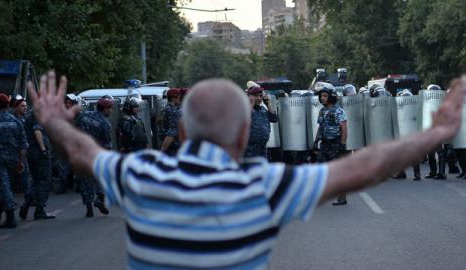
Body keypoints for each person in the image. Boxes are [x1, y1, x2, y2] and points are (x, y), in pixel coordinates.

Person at [28, 71, 465, 269]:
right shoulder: (262, 184)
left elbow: (84, 155)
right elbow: (364, 167)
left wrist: (52, 123)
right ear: (243, 135)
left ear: (180, 129)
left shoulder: (143, 174)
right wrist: (433, 134)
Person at [0, 94, 28, 228]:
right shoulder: (16, 121)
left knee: (3, 186)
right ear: (8, 105)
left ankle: (10, 216)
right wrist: (20, 162)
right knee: (4, 186)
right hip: (13, 160)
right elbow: (23, 145)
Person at [75, 95, 113, 217]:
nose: (111, 111)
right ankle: (99, 200)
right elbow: (107, 143)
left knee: (85, 181)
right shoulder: (105, 124)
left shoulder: (84, 115)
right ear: (105, 109)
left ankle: (89, 209)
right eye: (110, 109)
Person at [313, 83, 348, 206]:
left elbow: (344, 127)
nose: (322, 98)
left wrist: (342, 144)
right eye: (321, 96)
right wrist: (316, 141)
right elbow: (320, 127)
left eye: (325, 96)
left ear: (331, 96)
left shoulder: (338, 111)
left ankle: (341, 198)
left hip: (335, 144)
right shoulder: (322, 111)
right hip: (325, 144)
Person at [20, 110, 56, 220]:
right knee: (44, 181)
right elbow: (37, 131)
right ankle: (39, 210)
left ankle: (28, 200)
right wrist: (43, 149)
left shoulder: (30, 113)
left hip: (31, 153)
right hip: (39, 154)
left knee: (36, 180)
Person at [244, 86, 278, 158]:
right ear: (249, 96)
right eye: (256, 96)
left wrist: (268, 104)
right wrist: (251, 103)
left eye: (260, 96)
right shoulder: (245, 109)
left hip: (262, 148)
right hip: (249, 150)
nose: (259, 98)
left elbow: (274, 119)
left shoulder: (262, 109)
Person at [160, 88, 181, 155]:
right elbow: (171, 134)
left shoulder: (164, 110)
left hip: (164, 144)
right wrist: (162, 151)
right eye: (178, 97)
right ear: (173, 98)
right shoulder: (173, 111)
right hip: (172, 147)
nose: (179, 99)